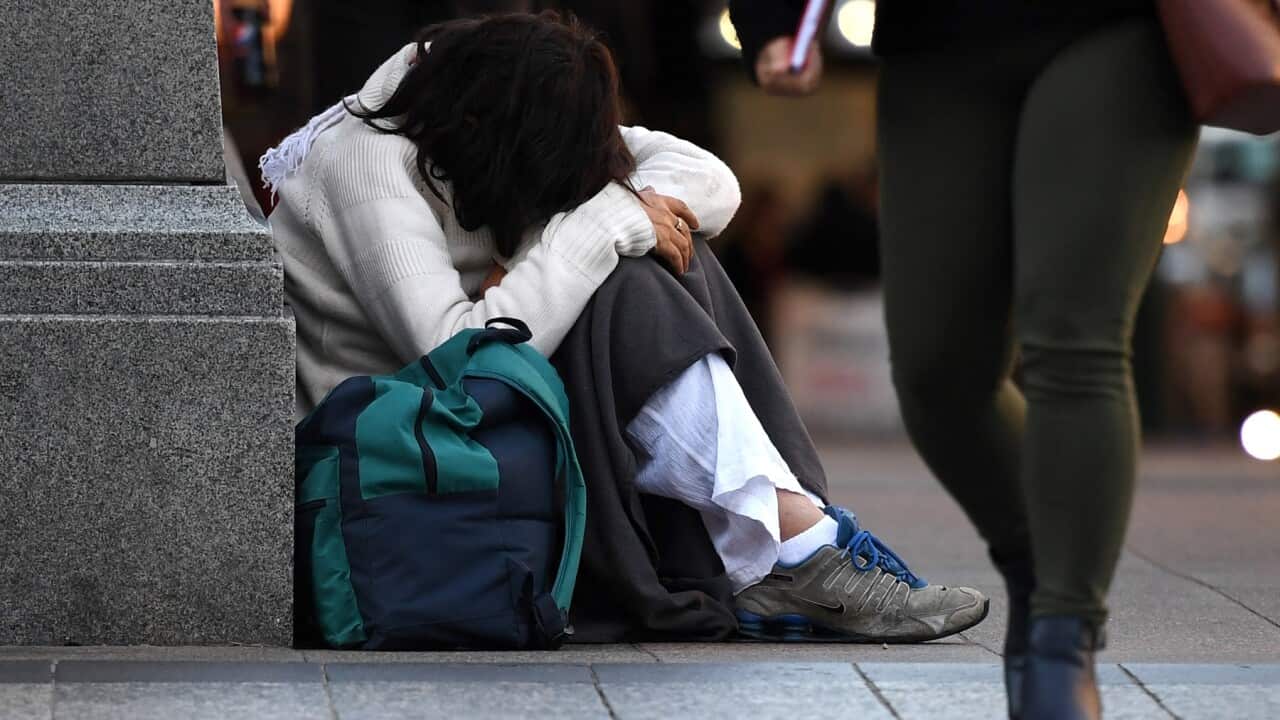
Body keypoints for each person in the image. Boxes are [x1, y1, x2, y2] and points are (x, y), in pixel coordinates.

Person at [262, 11, 988, 645]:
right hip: (416, 467)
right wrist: (603, 224)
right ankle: (794, 546)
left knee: (666, 243)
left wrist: (620, 209)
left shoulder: (494, 110)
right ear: (485, 130)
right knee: (628, 266)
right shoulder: (368, 167)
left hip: (494, 447)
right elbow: (457, 356)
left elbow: (711, 179)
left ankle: (791, 535)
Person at [729, 1, 1197, 717]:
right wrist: (773, 18)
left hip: (1120, 27)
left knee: (1074, 343)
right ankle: (1041, 577)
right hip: (939, 41)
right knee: (939, 374)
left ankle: (1060, 643)